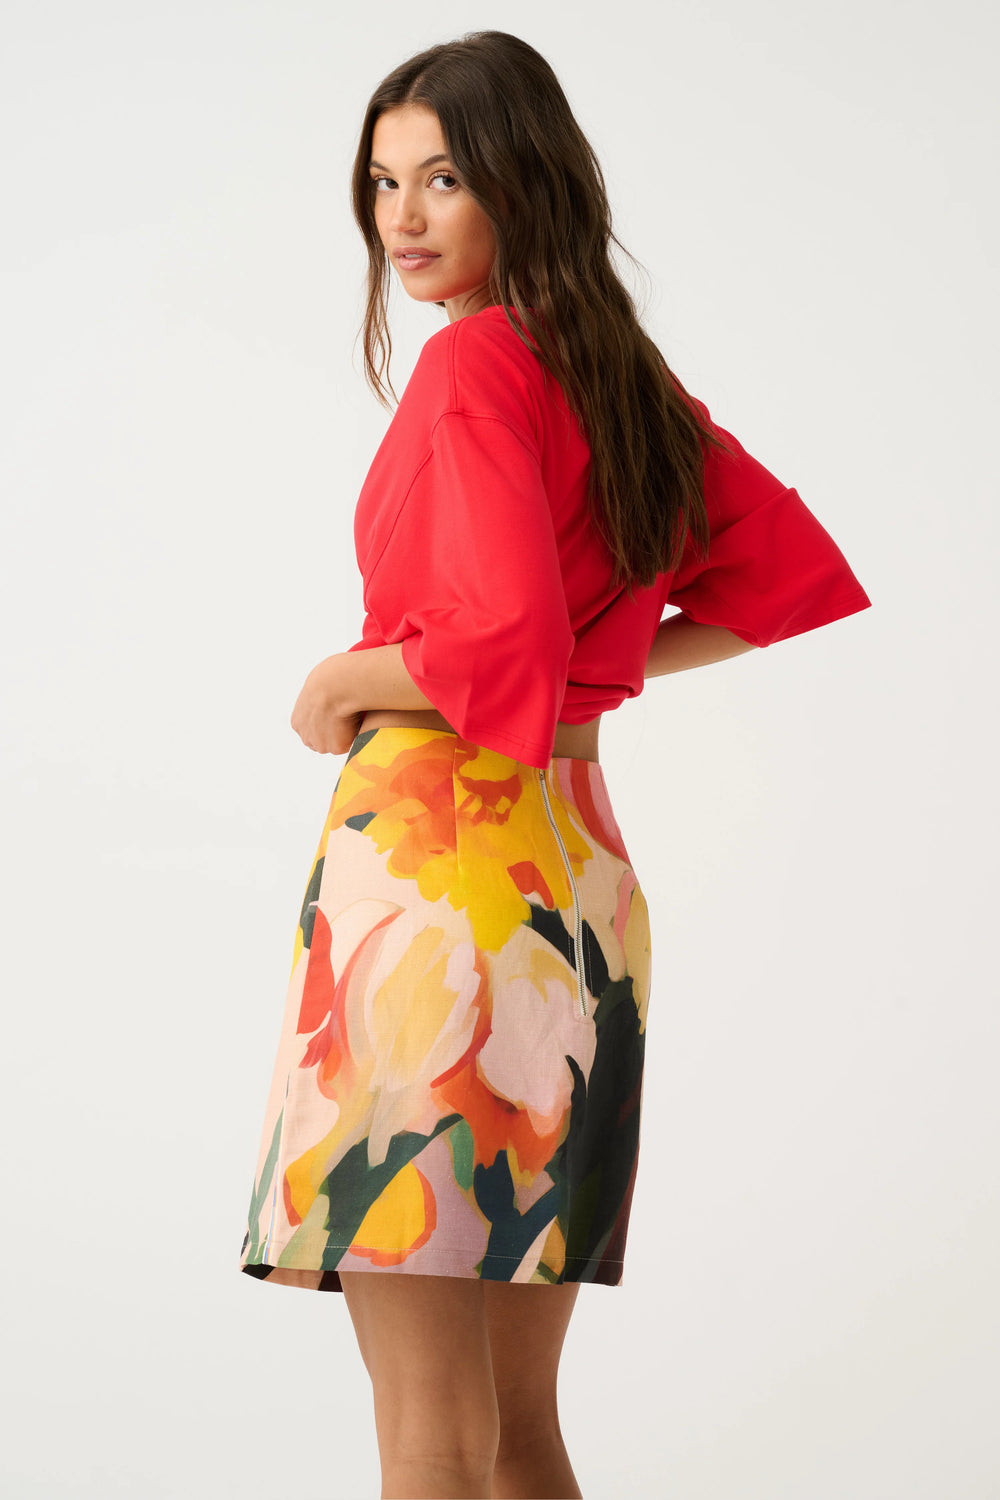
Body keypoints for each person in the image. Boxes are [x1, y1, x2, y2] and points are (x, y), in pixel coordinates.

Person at [237, 29, 872, 1500]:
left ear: (525, 181)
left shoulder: (470, 369)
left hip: (436, 880)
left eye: (444, 177)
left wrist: (343, 681)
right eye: (384, 181)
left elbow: (495, 641)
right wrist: (590, 675)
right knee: (522, 1429)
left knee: (426, 1430)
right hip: (576, 887)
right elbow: (787, 582)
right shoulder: (616, 374)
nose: (403, 217)